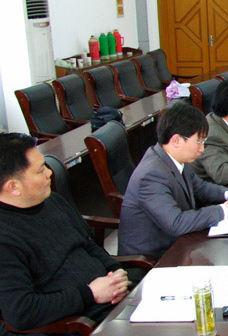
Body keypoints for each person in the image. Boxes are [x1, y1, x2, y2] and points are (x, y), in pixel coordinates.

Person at [0, 133, 131, 331]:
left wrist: (115, 273)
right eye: (40, 170)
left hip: (111, 298)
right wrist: (90, 294)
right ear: (14, 187)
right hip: (81, 322)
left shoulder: (52, 201)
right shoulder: (5, 239)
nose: (49, 173)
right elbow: (21, 311)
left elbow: (88, 245)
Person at [119, 101, 228, 259]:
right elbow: (176, 223)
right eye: (199, 142)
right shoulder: (151, 175)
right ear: (176, 140)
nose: (202, 149)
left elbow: (200, 187)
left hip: (180, 244)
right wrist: (225, 210)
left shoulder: (171, 158)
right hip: (155, 258)